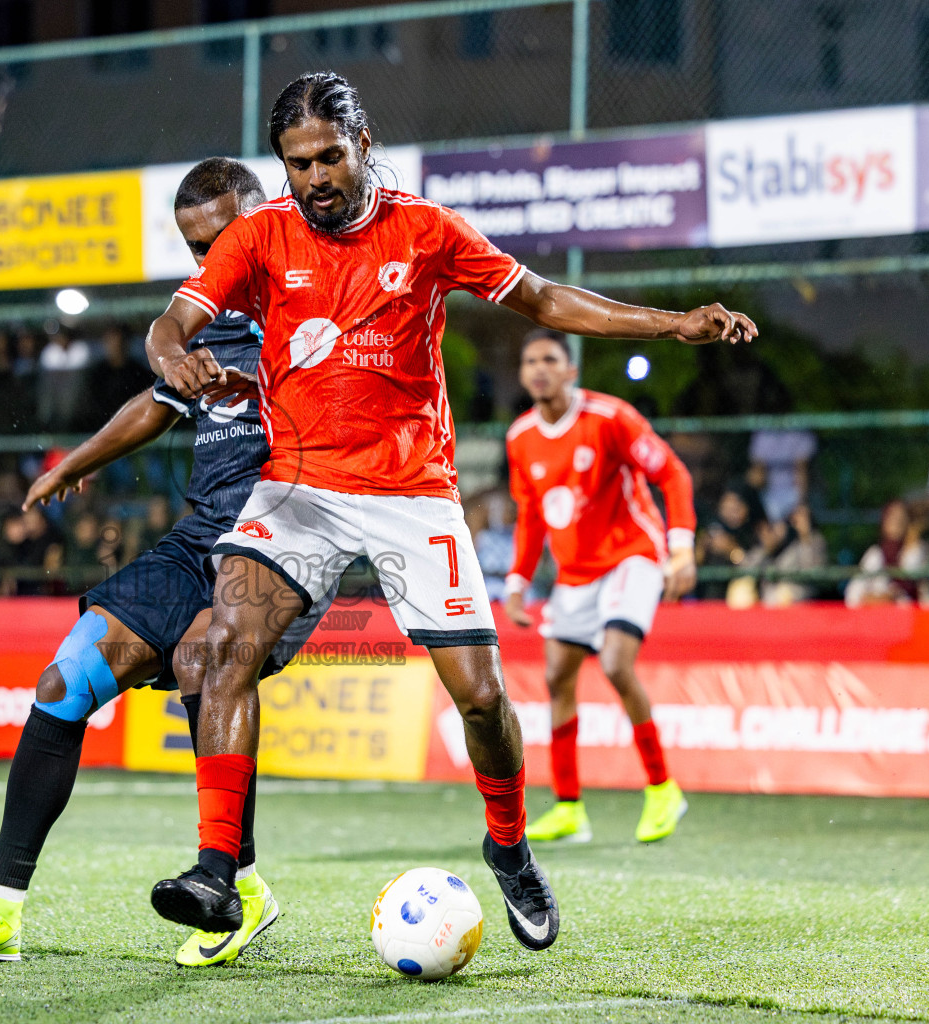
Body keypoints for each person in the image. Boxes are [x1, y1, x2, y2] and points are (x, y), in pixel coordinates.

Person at [142, 73, 755, 954]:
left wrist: (671, 325)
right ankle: (215, 873)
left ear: (361, 145)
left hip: (411, 491)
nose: (312, 178)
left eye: (327, 157)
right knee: (222, 645)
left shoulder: (424, 229)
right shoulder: (260, 236)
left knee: (481, 700)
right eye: (294, 163)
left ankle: (509, 848)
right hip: (300, 487)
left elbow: (543, 299)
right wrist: (174, 355)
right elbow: (174, 322)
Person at [0, 157, 337, 968]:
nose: (206, 263)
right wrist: (79, 461)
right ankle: (0, 909)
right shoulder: (205, 313)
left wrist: (271, 387)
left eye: (220, 242)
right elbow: (159, 397)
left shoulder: (320, 302)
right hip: (198, 533)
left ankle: (234, 886)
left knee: (205, 655)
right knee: (66, 677)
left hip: (290, 531)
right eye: (193, 249)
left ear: (266, 218)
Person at [504, 330, 696, 845]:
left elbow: (673, 474)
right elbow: (531, 516)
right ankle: (569, 808)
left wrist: (682, 547)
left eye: (550, 359)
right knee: (558, 677)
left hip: (633, 554)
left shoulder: (610, 419)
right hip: (575, 574)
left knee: (614, 662)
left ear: (570, 371)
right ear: (523, 375)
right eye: (530, 361)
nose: (539, 368)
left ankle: (662, 788)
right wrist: (518, 582)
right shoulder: (520, 437)